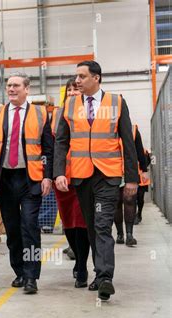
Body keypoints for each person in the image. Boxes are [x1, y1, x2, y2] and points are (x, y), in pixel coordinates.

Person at [54, 61, 138, 301]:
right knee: (92, 226)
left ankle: (104, 278)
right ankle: (98, 273)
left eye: (82, 76)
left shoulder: (116, 102)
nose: (77, 81)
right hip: (81, 176)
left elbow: (127, 142)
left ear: (96, 78)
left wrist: (131, 178)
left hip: (107, 175)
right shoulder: (70, 105)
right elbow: (61, 141)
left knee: (102, 225)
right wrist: (60, 172)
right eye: (76, 77)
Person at [0, 72, 53, 295]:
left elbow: (49, 149)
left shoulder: (41, 114)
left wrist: (47, 176)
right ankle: (19, 272)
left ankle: (32, 277)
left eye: (16, 86)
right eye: (9, 85)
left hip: (30, 179)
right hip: (4, 180)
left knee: (29, 226)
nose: (11, 89)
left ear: (26, 89)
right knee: (12, 229)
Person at [51, 78, 90, 288]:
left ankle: (82, 266)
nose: (73, 92)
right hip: (63, 177)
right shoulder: (58, 114)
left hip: (84, 176)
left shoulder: (90, 112)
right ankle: (74, 250)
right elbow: (53, 147)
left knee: (82, 221)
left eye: (76, 88)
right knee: (68, 221)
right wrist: (55, 174)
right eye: (70, 90)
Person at [114, 124, 149, 246]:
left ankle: (129, 234)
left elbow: (140, 151)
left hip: (129, 172)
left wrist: (144, 170)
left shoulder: (133, 130)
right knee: (117, 203)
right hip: (112, 172)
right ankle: (120, 234)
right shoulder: (106, 127)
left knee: (130, 201)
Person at [135, 149, 151, 225]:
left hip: (142, 178)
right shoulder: (128, 148)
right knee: (133, 198)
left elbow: (148, 162)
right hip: (132, 177)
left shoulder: (144, 151)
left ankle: (139, 214)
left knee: (140, 198)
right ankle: (134, 215)